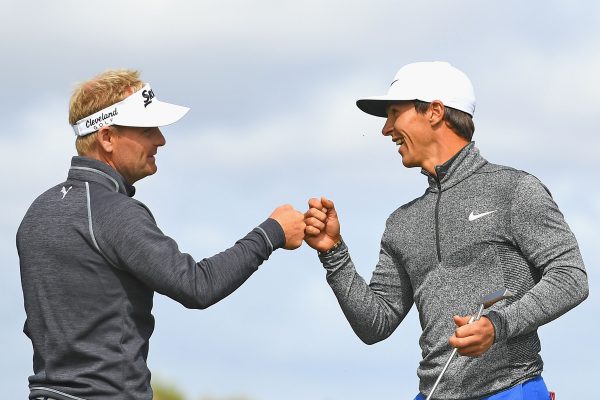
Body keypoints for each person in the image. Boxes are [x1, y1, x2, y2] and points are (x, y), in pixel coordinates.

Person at [304, 61, 588, 399]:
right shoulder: (402, 223)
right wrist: (333, 252)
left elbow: (571, 277)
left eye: (395, 113)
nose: (385, 129)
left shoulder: (514, 190)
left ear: (435, 112)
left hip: (512, 391)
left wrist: (498, 326)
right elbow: (375, 323)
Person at [16, 69, 306, 400]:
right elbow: (197, 285)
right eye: (146, 129)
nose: (160, 139)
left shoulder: (37, 212)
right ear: (107, 137)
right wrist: (272, 233)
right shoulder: (115, 212)